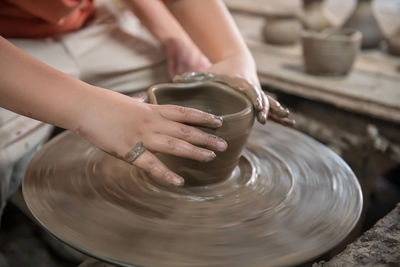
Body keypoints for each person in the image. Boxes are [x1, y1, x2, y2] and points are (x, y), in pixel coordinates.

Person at [0, 0, 291, 189]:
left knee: (194, 75)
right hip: (11, 46)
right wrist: (86, 108)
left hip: (87, 27)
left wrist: (233, 55)